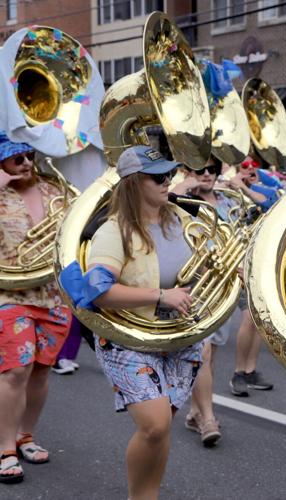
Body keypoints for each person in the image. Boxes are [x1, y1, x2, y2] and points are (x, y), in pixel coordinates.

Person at [84, 145, 201, 499]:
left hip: (179, 335)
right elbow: (99, 292)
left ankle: (150, 493)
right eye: (158, 177)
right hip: (129, 338)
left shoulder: (180, 219)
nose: (168, 182)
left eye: (170, 174)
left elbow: (198, 266)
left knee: (161, 427)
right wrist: (160, 296)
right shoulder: (113, 231)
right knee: (154, 425)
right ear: (134, 183)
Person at [0, 133, 72, 485]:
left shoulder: (54, 189)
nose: (26, 163)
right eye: (17, 159)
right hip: (9, 296)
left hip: (54, 295)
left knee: (42, 370)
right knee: (16, 370)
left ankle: (25, 436)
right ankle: (5, 448)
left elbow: (75, 233)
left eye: (29, 155)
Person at [171, 156, 244, 447]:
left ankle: (195, 410)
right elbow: (168, 201)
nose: (207, 175)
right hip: (194, 285)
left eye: (212, 170)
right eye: (200, 170)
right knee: (203, 352)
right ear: (189, 172)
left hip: (223, 286)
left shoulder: (228, 202)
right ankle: (207, 418)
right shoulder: (183, 201)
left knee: (211, 353)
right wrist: (185, 182)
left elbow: (241, 237)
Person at [228, 156, 280, 396]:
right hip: (240, 261)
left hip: (260, 262)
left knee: (258, 320)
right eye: (244, 169)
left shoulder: (257, 187)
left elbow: (272, 201)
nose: (248, 173)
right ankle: (238, 373)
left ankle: (250, 371)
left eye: (252, 170)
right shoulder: (228, 187)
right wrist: (235, 183)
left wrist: (248, 185)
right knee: (249, 318)